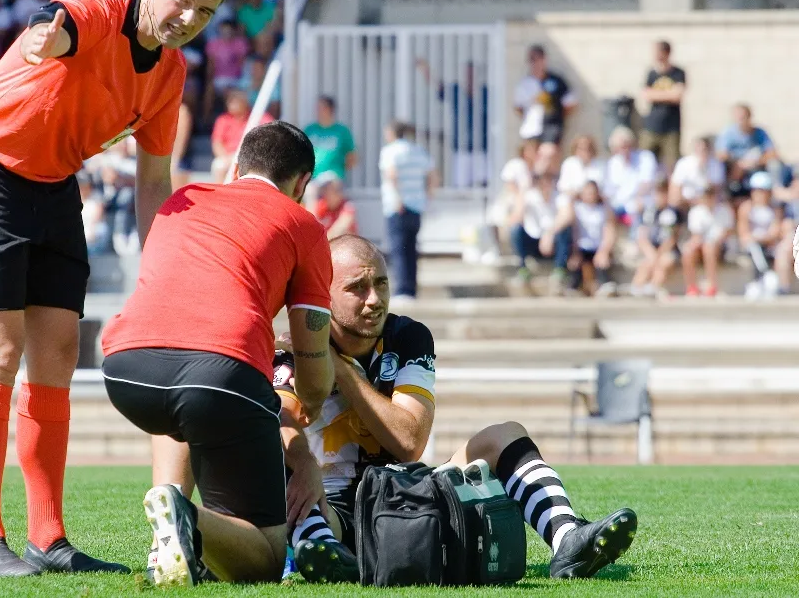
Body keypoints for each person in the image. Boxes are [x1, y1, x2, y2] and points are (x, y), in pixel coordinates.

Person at [0, 0, 233, 577]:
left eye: (205, 12)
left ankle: (49, 538)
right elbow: (58, 21)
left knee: (60, 353)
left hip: (54, 183)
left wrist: (163, 275)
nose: (188, 18)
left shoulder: (170, 74)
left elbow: (154, 182)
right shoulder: (97, 9)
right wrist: (47, 34)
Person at [177, 235, 637, 584]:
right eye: (357, 288)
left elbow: (410, 441)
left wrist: (344, 372)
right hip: (331, 504)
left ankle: (567, 537)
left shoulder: (409, 337)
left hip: (407, 496)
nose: (374, 298)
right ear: (323, 293)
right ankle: (324, 554)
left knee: (504, 434)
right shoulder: (291, 347)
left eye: (380, 283)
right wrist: (303, 462)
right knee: (283, 473)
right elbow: (283, 424)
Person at [102, 122, 334, 586]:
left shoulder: (179, 201)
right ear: (302, 183)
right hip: (218, 373)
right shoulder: (302, 224)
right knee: (266, 558)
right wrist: (308, 401)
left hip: (127, 370)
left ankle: (164, 530)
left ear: (235, 167)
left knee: (183, 394)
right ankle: (183, 514)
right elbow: (310, 361)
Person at [379, 121, 435, 299]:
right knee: (412, 248)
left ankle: (402, 290)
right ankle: (412, 289)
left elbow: (392, 175)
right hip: (417, 205)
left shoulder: (390, 151)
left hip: (398, 207)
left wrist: (397, 199)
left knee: (399, 248)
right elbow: (433, 176)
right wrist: (426, 197)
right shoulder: (418, 151)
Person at [510, 173, 574, 297]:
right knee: (515, 230)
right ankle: (523, 269)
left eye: (547, 182)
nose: (545, 186)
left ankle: (559, 272)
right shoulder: (529, 197)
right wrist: (523, 192)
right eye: (541, 182)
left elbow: (568, 216)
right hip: (533, 242)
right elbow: (515, 217)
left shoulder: (560, 197)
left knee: (565, 231)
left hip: (553, 243)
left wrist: (549, 234)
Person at [737, 171, 791, 299]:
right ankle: (764, 276)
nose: (760, 194)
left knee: (780, 249)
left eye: (763, 190)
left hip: (769, 245)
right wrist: (757, 239)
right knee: (754, 247)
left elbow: (774, 233)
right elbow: (743, 234)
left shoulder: (774, 209)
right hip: (752, 246)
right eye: (757, 190)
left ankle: (771, 282)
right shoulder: (746, 208)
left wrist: (759, 238)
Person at [513, 45, 577, 148]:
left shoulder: (556, 81)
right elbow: (518, 107)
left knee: (548, 154)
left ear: (544, 59)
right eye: (532, 59)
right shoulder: (524, 84)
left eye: (538, 58)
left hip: (551, 128)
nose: (535, 63)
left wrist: (556, 117)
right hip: (531, 129)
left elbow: (570, 104)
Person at [716, 104, 778, 203]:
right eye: (738, 117)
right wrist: (738, 162)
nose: (741, 120)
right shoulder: (728, 133)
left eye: (743, 117)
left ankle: (775, 194)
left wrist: (756, 161)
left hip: (756, 167)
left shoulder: (759, 133)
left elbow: (772, 153)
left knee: (776, 166)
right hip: (736, 168)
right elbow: (721, 154)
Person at [640, 40, 686, 171]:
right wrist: (668, 94)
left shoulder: (678, 73)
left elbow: (677, 95)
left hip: (671, 127)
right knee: (646, 161)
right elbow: (646, 95)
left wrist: (657, 94)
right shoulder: (652, 73)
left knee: (672, 164)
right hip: (652, 126)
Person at [631, 181, 683, 298]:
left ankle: (653, 287)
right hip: (652, 249)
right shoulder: (648, 212)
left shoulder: (673, 212)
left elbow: (671, 239)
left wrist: (658, 254)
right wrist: (651, 253)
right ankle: (636, 288)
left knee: (664, 262)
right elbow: (642, 236)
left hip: (667, 250)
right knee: (646, 263)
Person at [682, 186, 734, 297]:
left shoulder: (724, 210)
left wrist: (713, 242)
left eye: (711, 195)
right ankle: (692, 287)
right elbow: (696, 236)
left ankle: (712, 285)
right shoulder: (696, 212)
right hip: (703, 246)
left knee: (709, 248)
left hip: (720, 247)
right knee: (688, 251)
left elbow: (727, 232)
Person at [569, 181, 617, 297]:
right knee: (576, 263)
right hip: (581, 247)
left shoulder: (604, 209)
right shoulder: (576, 209)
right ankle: (575, 287)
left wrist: (604, 251)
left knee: (602, 261)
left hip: (598, 247)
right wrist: (574, 251)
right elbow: (573, 232)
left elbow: (610, 231)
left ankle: (605, 284)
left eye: (592, 193)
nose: (590, 196)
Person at [304, 95, 356, 181]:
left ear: (330, 109)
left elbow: (351, 156)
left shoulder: (342, 131)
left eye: (322, 108)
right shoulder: (310, 130)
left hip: (333, 176)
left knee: (331, 189)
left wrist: (340, 169)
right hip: (312, 177)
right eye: (318, 108)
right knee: (309, 192)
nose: (319, 111)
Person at [670, 135, 725, 208]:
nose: (701, 152)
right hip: (685, 205)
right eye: (699, 149)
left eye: (704, 149)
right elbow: (675, 192)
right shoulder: (683, 164)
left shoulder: (716, 165)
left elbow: (715, 192)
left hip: (708, 206)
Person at [311, 172, 357, 239]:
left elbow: (339, 230)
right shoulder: (321, 205)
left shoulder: (347, 206)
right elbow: (311, 228)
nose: (323, 192)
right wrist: (311, 198)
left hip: (344, 246)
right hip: (327, 245)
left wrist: (320, 242)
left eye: (327, 188)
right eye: (323, 189)